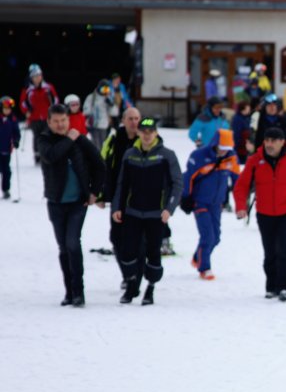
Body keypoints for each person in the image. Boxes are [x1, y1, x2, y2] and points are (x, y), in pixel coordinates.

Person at [234, 127, 286, 301]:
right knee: (270, 252)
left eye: (273, 141)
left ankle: (285, 287)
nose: (269, 144)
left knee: (284, 249)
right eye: (267, 140)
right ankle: (271, 286)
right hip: (264, 213)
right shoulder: (255, 161)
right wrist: (241, 206)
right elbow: (241, 186)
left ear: (281, 142)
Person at [37, 104, 105, 306]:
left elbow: (99, 164)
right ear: (49, 122)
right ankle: (69, 291)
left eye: (64, 120)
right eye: (56, 121)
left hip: (78, 202)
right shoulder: (44, 140)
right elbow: (51, 156)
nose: (60, 124)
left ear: (69, 120)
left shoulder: (80, 139)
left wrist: (94, 192)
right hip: (56, 202)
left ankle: (79, 292)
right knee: (63, 248)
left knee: (73, 243)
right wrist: (69, 138)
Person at [112, 118, 182, 306]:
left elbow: (177, 184)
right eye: (144, 131)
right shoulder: (130, 154)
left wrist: (169, 209)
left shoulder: (167, 155)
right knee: (128, 252)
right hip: (133, 211)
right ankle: (132, 284)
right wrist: (117, 207)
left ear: (156, 133)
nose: (147, 135)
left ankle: (150, 288)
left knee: (153, 253)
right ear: (139, 133)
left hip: (156, 214)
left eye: (150, 131)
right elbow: (122, 184)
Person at [182, 129, 240, 280]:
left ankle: (198, 256)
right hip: (199, 202)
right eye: (222, 148)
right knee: (207, 236)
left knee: (216, 238)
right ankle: (204, 267)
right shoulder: (199, 156)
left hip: (217, 204)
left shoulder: (231, 158)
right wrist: (186, 198)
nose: (224, 152)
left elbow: (237, 180)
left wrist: (242, 197)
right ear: (215, 144)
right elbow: (188, 177)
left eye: (227, 149)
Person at [99, 106, 142, 285]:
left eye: (137, 118)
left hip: (141, 198)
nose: (134, 122)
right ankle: (127, 274)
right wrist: (100, 194)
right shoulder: (115, 139)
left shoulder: (147, 138)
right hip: (118, 197)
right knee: (117, 238)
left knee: (139, 239)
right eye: (130, 118)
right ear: (123, 120)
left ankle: (137, 275)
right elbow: (102, 165)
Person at [19, 63, 59, 164]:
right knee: (37, 136)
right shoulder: (28, 89)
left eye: (39, 75)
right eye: (35, 76)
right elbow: (22, 103)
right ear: (31, 78)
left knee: (47, 135)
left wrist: (53, 108)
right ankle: (37, 156)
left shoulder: (48, 87)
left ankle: (47, 155)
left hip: (47, 117)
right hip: (34, 118)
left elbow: (56, 99)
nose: (37, 78)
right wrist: (26, 111)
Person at [83, 79, 114, 150]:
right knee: (96, 145)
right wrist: (93, 111)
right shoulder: (91, 97)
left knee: (104, 144)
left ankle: (102, 158)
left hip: (104, 126)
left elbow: (114, 113)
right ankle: (96, 158)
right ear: (99, 88)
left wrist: (111, 105)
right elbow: (85, 111)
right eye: (104, 89)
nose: (105, 91)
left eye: (107, 89)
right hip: (93, 125)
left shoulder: (108, 98)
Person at [0, 96, 21, 199]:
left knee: (6, 171)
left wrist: (16, 141)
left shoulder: (13, 119)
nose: (7, 111)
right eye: (5, 108)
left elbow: (16, 132)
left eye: (9, 109)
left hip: (6, 150)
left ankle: (6, 189)